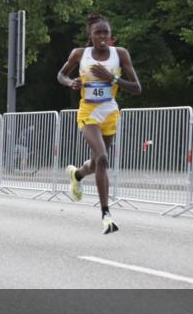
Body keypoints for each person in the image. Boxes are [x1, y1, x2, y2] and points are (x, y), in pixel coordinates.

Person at [58, 14, 142, 234]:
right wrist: (71, 82)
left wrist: (112, 78)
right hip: (88, 112)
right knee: (103, 158)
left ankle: (76, 175)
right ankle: (106, 214)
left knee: (97, 164)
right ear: (90, 35)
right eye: (98, 32)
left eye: (106, 32)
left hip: (110, 111)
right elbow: (61, 75)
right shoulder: (79, 54)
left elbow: (137, 88)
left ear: (111, 35)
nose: (103, 36)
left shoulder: (120, 54)